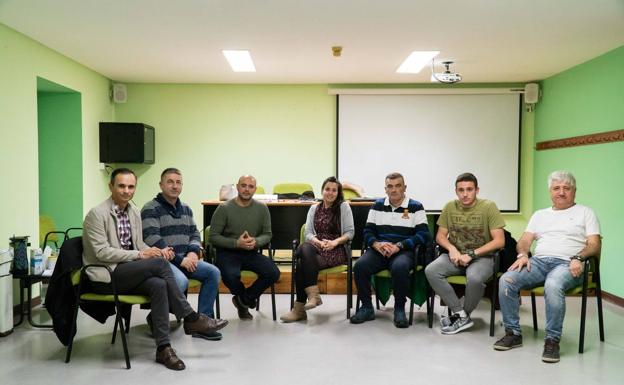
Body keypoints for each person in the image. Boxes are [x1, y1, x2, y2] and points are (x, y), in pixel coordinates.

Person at [82, 168, 228, 370]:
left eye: (131, 186)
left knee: (158, 284)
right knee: (161, 265)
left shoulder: (132, 211)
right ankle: (191, 318)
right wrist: (143, 255)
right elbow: (102, 253)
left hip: (130, 271)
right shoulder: (96, 214)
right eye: (121, 186)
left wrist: (153, 251)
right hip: (107, 275)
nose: (126, 191)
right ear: (111, 186)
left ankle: (163, 349)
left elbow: (140, 243)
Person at [494, 170, 601, 363]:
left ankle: (552, 340)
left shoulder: (586, 212)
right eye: (556, 188)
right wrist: (523, 254)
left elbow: (594, 244)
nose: (561, 192)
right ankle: (513, 333)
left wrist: (578, 257)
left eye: (566, 188)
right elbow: (524, 240)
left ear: (574, 191)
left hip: (569, 263)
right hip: (540, 262)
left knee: (553, 285)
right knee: (506, 279)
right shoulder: (540, 215)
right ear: (550, 191)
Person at [141, 167, 222, 340]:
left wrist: (193, 253)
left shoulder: (186, 208)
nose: (174, 186)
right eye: (170, 182)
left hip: (186, 259)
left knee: (212, 272)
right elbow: (152, 238)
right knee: (181, 281)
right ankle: (156, 317)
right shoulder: (150, 208)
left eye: (178, 182)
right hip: (163, 263)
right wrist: (180, 260)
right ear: (161, 185)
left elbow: (195, 233)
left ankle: (203, 322)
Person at [425, 173, 505, 334]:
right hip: (455, 256)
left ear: (477, 190)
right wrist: (452, 249)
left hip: (482, 257)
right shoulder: (449, 207)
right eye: (461, 190)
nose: (465, 194)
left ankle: (464, 316)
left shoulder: (489, 206)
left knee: (474, 278)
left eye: (469, 189)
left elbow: (499, 241)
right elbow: (440, 236)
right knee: (431, 270)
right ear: (456, 191)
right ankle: (460, 314)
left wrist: (471, 254)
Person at [350, 172, 431, 328]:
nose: (394, 190)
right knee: (360, 266)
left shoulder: (416, 206)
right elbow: (367, 231)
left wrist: (399, 246)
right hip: (379, 250)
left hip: (403, 251)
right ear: (385, 189)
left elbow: (423, 235)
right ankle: (367, 307)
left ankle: (399, 309)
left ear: (404, 187)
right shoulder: (377, 206)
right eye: (390, 186)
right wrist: (376, 244)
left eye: (398, 186)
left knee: (399, 267)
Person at [280, 176, 355, 322]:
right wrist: (318, 242)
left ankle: (299, 310)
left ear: (338, 193)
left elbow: (350, 232)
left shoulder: (343, 207)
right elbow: (308, 233)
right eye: (327, 189)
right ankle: (313, 296)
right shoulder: (314, 208)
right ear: (322, 191)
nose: (330, 193)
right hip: (317, 246)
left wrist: (334, 242)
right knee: (304, 247)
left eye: (334, 190)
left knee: (302, 264)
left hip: (336, 248)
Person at [209, 175, 280, 320]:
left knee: (273, 273)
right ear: (237, 186)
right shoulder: (224, 208)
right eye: (243, 185)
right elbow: (213, 237)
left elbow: (267, 234)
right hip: (227, 253)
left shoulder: (262, 208)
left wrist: (256, 241)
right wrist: (236, 243)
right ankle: (244, 300)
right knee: (231, 275)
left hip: (251, 251)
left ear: (255, 189)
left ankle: (243, 300)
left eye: (251, 186)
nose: (247, 189)